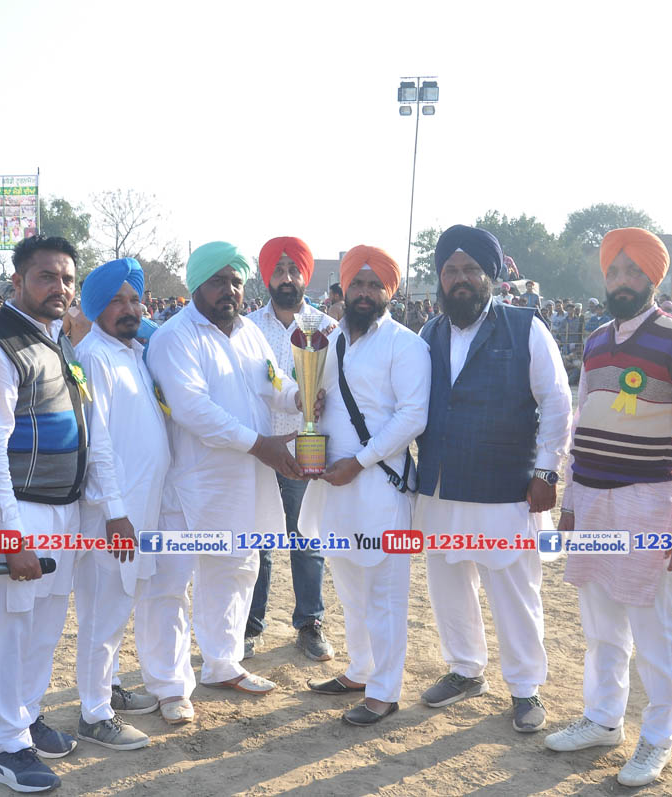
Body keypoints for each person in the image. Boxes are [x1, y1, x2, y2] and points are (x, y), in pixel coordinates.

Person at [545, 228, 672, 788]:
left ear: (653, 278)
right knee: (601, 625)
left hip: (650, 505)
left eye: (633, 272)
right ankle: (602, 719)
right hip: (593, 502)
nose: (621, 282)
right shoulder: (596, 341)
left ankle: (658, 737)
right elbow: (582, 425)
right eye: (614, 272)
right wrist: (571, 502)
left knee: (656, 630)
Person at [412, 225, 572, 733]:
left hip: (506, 485)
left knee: (514, 588)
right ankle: (465, 670)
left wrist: (547, 470)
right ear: (440, 278)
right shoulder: (429, 333)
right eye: (450, 271)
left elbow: (557, 401)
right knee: (448, 583)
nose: (460, 279)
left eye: (470, 270)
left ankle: (525, 688)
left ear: (491, 276)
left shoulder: (525, 327)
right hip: (441, 484)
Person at [146, 241, 306, 700]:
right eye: (218, 281)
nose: (229, 290)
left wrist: (298, 396)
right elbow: (192, 409)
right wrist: (260, 444)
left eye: (236, 281)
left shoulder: (249, 332)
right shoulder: (175, 337)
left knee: (238, 568)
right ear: (197, 284)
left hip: (247, 478)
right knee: (172, 584)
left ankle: (223, 663)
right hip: (192, 482)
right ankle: (170, 687)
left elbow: (273, 380)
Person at [0, 234, 92, 793]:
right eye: (46, 277)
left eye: (67, 278)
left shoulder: (55, 339)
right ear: (17, 282)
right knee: (7, 630)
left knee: (44, 625)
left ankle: (28, 716)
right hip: (17, 511)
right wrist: (10, 537)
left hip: (63, 510)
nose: (59, 287)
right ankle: (6, 745)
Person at [301, 245, 429, 725]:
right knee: (350, 587)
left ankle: (385, 691)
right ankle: (359, 670)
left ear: (389, 292)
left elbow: (413, 415)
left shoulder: (405, 345)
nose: (365, 292)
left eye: (376, 285)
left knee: (384, 594)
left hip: (381, 485)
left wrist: (360, 461)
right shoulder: (329, 340)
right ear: (345, 286)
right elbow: (316, 395)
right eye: (358, 282)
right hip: (334, 484)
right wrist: (308, 401)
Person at [74, 258, 196, 727]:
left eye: (134, 300)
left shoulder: (132, 354)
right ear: (95, 307)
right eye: (116, 301)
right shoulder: (93, 356)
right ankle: (94, 715)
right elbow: (98, 442)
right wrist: (114, 511)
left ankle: (106, 690)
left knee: (119, 608)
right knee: (102, 617)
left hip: (141, 508)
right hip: (113, 514)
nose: (129, 309)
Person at [245, 237, 335, 661]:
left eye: (293, 270)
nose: (286, 278)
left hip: (305, 448)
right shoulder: (246, 328)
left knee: (307, 538)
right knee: (258, 540)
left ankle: (309, 623)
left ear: (305, 276)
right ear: (267, 276)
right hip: (258, 450)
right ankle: (250, 625)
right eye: (278, 270)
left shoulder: (326, 328)